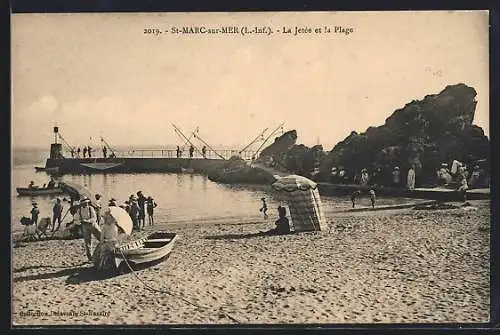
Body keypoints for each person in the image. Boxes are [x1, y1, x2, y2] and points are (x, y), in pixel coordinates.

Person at [93, 207, 126, 273]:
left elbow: (102, 237)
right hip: (113, 243)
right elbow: (118, 236)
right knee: (111, 255)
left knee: (103, 255)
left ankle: (103, 268)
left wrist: (101, 242)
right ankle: (110, 267)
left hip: (108, 243)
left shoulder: (105, 227)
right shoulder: (115, 226)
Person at [74, 197, 100, 262]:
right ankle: (90, 257)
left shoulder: (90, 208)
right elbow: (76, 219)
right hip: (85, 227)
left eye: (86, 203)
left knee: (101, 237)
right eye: (84, 203)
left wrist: (87, 220)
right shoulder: (79, 210)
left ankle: (104, 252)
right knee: (87, 242)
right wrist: (80, 222)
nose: (86, 204)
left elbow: (94, 218)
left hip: (93, 225)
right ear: (81, 204)